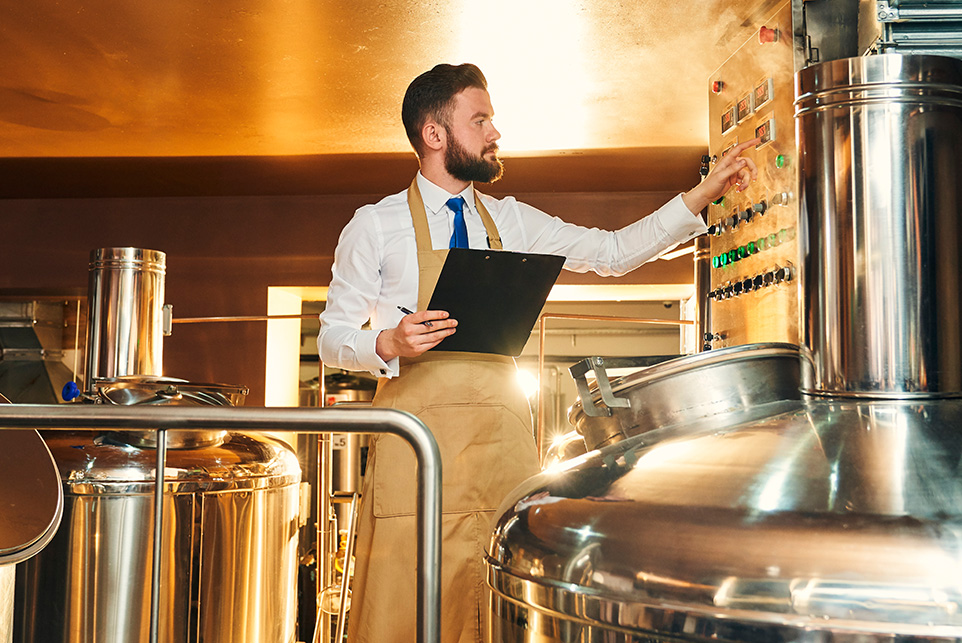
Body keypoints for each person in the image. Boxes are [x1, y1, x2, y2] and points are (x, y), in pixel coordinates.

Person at [318, 63, 758, 643]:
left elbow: (614, 252)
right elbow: (332, 339)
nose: (495, 132)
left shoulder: (511, 219)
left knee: (503, 602)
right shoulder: (374, 226)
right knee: (409, 609)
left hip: (502, 450)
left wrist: (704, 193)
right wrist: (387, 342)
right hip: (418, 453)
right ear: (434, 134)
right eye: (480, 120)